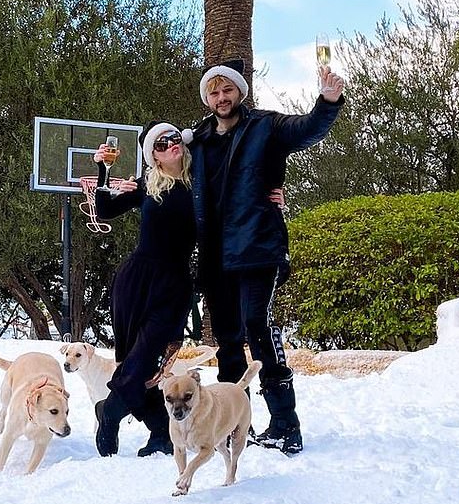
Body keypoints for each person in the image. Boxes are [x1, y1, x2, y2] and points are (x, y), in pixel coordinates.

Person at [186, 58, 345, 456]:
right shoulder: (199, 140)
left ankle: (285, 424)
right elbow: (164, 162)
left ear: (240, 91)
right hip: (216, 257)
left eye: (227, 90)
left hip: (258, 248)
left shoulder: (266, 127)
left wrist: (327, 102)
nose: (221, 98)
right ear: (207, 97)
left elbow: (308, 130)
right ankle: (229, 423)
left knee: (257, 326)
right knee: (227, 340)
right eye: (214, 91)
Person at [92, 121, 195, 458]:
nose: (170, 145)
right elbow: (105, 209)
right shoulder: (148, 183)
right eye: (161, 144)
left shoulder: (203, 181)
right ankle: (160, 432)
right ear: (153, 155)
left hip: (175, 283)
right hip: (136, 280)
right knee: (138, 363)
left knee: (147, 361)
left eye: (174, 138)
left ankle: (109, 412)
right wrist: (103, 170)